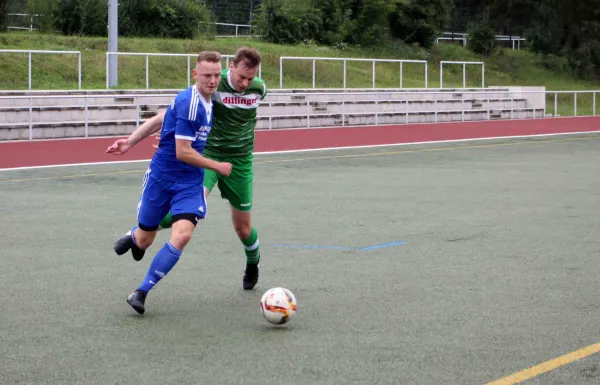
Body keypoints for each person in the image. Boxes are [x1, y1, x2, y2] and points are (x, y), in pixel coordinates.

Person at [107, 47, 267, 291]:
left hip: (240, 162)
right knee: (189, 208)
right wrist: (136, 139)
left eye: (250, 78)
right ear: (230, 68)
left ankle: (253, 263)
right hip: (208, 157)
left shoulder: (260, 89)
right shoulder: (214, 82)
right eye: (240, 77)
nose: (245, 83)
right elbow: (172, 113)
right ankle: (138, 232)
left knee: (243, 228)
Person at [111, 51, 232, 315]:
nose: (212, 80)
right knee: (145, 240)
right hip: (162, 179)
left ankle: (141, 291)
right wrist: (217, 166)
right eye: (206, 75)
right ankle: (135, 236)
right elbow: (183, 152)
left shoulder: (207, 100)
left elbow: (160, 119)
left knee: (183, 234)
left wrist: (130, 142)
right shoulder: (189, 102)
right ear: (195, 74)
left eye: (216, 75)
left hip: (189, 183)